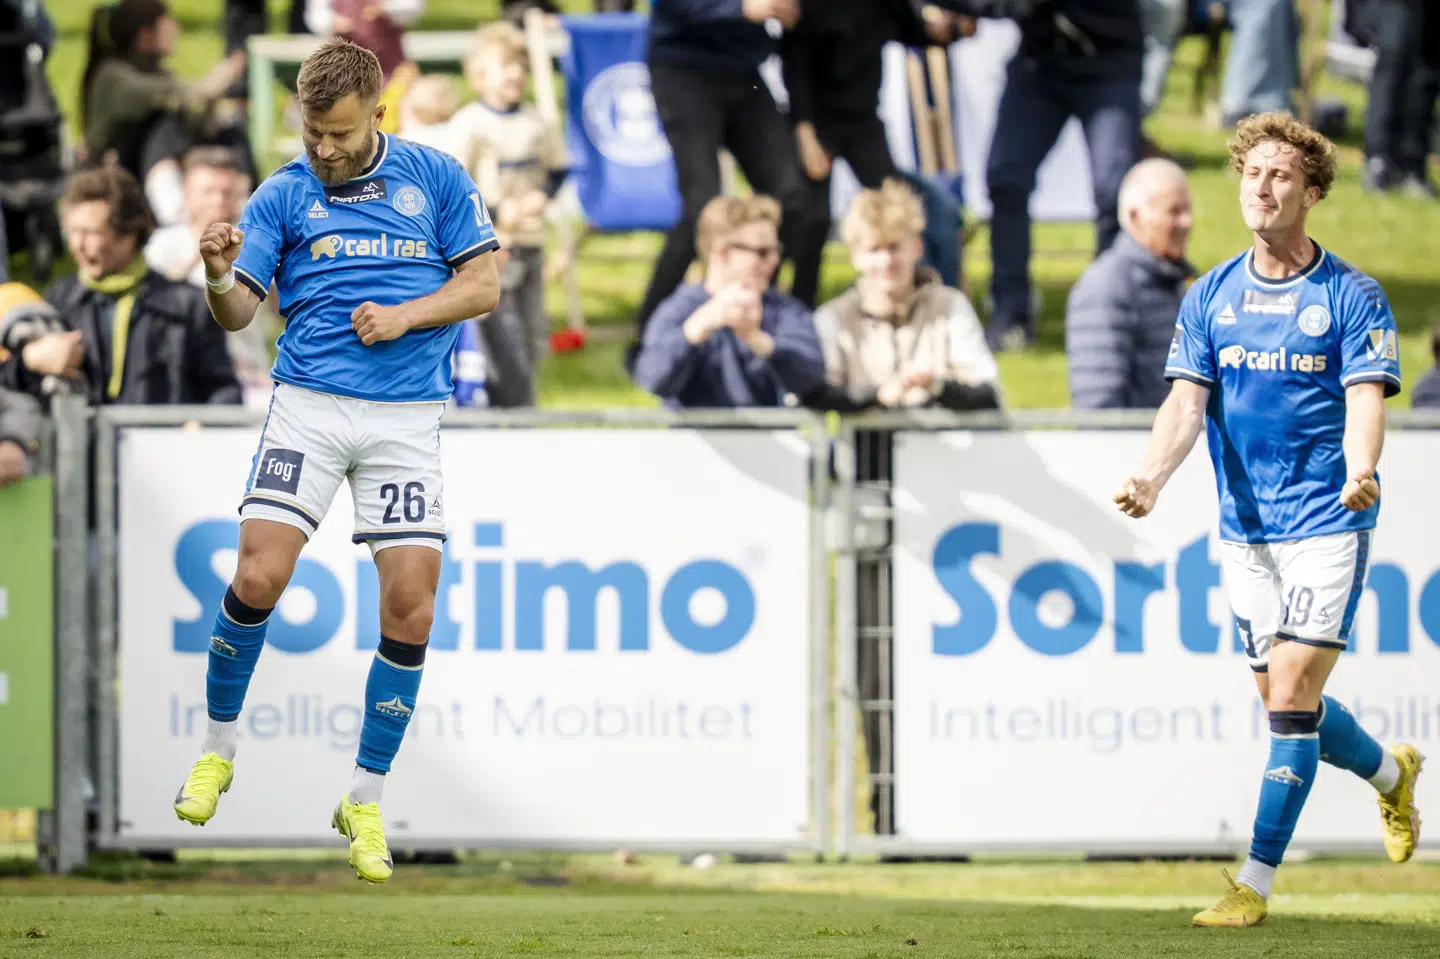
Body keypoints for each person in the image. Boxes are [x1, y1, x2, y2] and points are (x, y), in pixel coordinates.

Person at [171, 39, 501, 884]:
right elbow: (239, 314)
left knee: (412, 609)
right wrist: (216, 274)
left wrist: (405, 316)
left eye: (340, 134)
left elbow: (484, 285)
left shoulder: (435, 178)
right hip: (310, 408)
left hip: (403, 419)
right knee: (257, 577)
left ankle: (364, 793)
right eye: (312, 131)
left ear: (377, 116)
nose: (323, 148)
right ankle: (217, 750)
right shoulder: (282, 192)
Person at [1113, 113, 1422, 927]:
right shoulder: (1210, 294)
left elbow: (1364, 398)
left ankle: (1253, 882)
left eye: (1282, 174)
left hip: (1326, 521)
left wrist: (1362, 469)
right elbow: (1186, 402)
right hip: (1246, 532)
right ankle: (1393, 775)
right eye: (1253, 171)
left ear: (1312, 191)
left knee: (1290, 695)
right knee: (1291, 708)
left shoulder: (1351, 296)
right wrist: (1151, 475)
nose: (1262, 185)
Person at [940, 0, 1144, 351]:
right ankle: (1010, 316)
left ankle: (1109, 316)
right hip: (1041, 65)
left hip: (1110, 63)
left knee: (1116, 192)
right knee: (1006, 178)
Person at [634, 0, 827, 352]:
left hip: (743, 69)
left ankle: (787, 327)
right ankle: (652, 335)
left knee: (795, 202)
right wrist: (741, 8)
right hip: (682, 66)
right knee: (702, 207)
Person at [5, 168, 240, 407]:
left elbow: (225, 392)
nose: (78, 245)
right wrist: (31, 360)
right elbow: (9, 393)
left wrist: (199, 427)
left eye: (92, 233)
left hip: (162, 443)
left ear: (128, 235)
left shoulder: (189, 305)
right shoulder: (59, 300)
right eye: (73, 232)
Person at [809, 179, 1000, 413]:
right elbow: (815, 394)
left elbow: (988, 392)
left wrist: (936, 385)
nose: (886, 261)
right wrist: (878, 395)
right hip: (864, 448)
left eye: (894, 247)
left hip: (940, 445)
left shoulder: (950, 305)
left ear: (917, 247)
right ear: (856, 256)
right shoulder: (833, 318)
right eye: (874, 249)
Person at [451, 21, 568, 385]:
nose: (516, 73)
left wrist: (541, 197)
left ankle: (527, 406)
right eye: (506, 65)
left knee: (533, 328)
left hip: (530, 240)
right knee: (500, 328)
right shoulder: (470, 124)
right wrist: (499, 213)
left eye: (521, 65)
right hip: (492, 246)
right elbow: (453, 188)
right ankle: (498, 400)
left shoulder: (537, 120)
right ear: (480, 77)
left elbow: (559, 169)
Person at [632, 194, 824, 408]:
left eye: (776, 250)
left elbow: (812, 376)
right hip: (695, 439)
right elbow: (652, 379)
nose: (774, 260)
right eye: (762, 252)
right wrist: (692, 333)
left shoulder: (785, 310)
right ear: (721, 250)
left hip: (770, 438)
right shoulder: (680, 309)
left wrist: (759, 341)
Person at [80, 0, 249, 226]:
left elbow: (195, 115)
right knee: (164, 126)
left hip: (144, 167)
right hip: (118, 176)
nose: (176, 30)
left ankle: (250, 207)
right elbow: (190, 96)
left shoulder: (155, 72)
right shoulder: (113, 76)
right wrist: (228, 71)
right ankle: (174, 215)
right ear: (146, 35)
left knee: (231, 130)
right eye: (169, 24)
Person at [145, 147, 275, 409]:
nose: (218, 200)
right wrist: (204, 254)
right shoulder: (163, 245)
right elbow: (150, 299)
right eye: (208, 191)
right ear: (186, 195)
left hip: (246, 377)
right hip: (177, 378)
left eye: (226, 192)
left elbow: (279, 308)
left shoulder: (254, 243)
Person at [1066, 158, 1193, 409]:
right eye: (1174, 211)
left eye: (1187, 210)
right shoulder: (1106, 287)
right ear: (1135, 216)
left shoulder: (1172, 281)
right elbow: (1098, 407)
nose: (1187, 222)